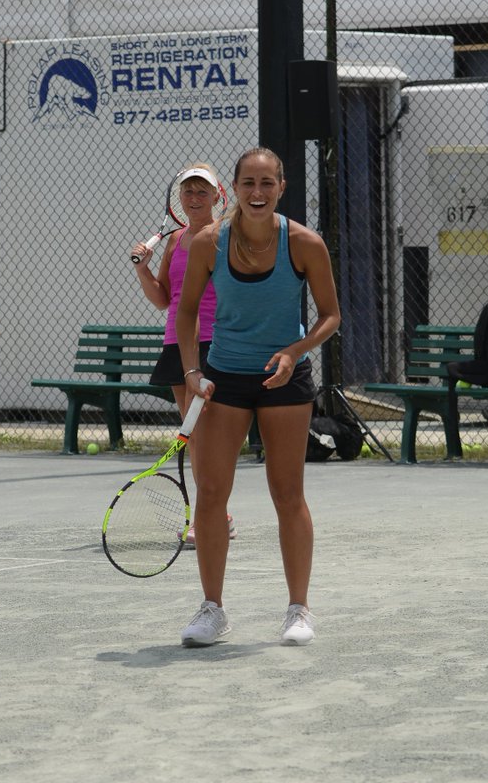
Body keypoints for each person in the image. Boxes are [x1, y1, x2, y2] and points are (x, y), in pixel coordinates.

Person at [174, 146, 341, 648]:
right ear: (237, 188)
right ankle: (212, 610)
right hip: (225, 379)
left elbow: (330, 316)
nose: (257, 192)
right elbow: (184, 315)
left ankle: (298, 610)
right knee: (211, 494)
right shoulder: (208, 243)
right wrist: (191, 371)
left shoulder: (305, 244)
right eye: (249, 183)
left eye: (267, 183)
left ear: (281, 188)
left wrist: (295, 351)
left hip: (286, 381)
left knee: (287, 495)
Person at [130, 163, 236, 547]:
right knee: (193, 437)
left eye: (202, 191)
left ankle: (210, 518)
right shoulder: (173, 242)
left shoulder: (225, 236)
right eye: (188, 191)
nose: (194, 198)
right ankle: (217, 515)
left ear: (216, 195)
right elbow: (163, 299)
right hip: (177, 343)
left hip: (213, 342)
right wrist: (143, 270)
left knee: (204, 434)